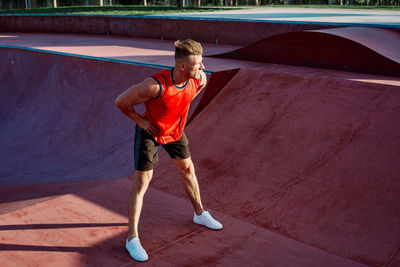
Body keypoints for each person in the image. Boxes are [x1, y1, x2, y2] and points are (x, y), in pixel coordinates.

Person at [114, 39, 223, 262]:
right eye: (197, 63)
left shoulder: (200, 79)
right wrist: (140, 121)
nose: (202, 67)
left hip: (175, 131)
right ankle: (131, 238)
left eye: (202, 62)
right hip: (151, 131)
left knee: (188, 170)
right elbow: (121, 101)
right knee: (142, 182)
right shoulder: (154, 86)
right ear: (182, 66)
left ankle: (200, 214)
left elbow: (186, 97)